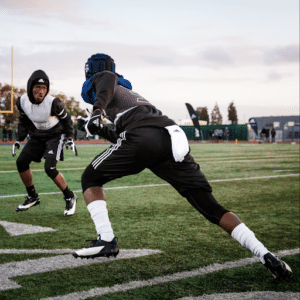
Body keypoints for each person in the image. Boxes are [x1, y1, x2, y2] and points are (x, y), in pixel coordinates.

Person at [73, 54, 292, 281]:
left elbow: (107, 81)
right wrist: (99, 129)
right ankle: (266, 255)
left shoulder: (106, 79)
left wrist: (98, 111)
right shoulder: (127, 97)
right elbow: (123, 137)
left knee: (90, 179)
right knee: (210, 206)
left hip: (145, 136)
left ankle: (107, 239)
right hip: (171, 138)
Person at [13, 70, 77, 216]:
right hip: (37, 134)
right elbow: (23, 121)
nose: (41, 92)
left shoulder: (53, 103)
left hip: (55, 135)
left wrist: (69, 137)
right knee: (21, 162)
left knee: (50, 168)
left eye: (44, 88)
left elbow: (67, 120)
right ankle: (32, 197)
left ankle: (70, 196)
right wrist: (19, 139)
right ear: (30, 88)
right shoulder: (22, 101)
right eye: (37, 88)